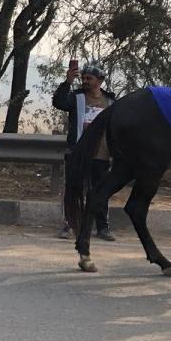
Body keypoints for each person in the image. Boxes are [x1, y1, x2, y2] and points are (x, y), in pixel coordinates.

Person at [52, 61, 117, 241]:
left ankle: (103, 227)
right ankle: (69, 225)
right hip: (78, 153)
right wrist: (67, 82)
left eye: (90, 78)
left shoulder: (110, 101)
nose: (85, 81)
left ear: (100, 80)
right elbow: (58, 102)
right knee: (74, 190)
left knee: (101, 191)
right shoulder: (76, 97)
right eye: (84, 78)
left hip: (102, 155)